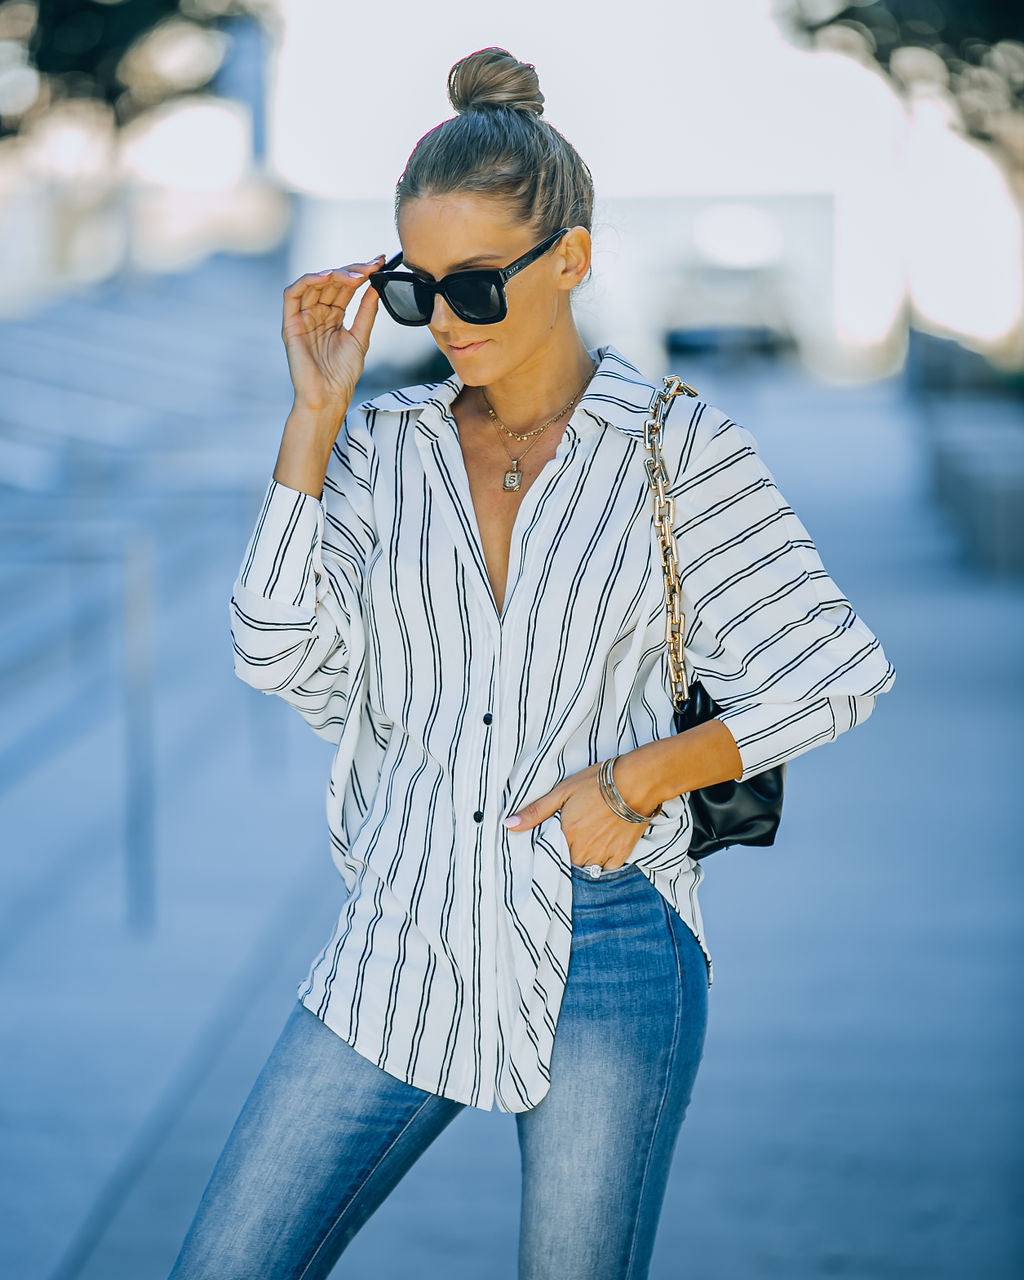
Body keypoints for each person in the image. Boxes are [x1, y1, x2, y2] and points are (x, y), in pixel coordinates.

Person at [168, 46, 896, 1280]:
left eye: (476, 287)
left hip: (607, 946)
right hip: (400, 934)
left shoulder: (679, 449)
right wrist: (311, 420)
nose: (446, 321)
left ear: (571, 258)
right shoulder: (380, 448)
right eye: (414, 290)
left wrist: (639, 779)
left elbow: (835, 670)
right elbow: (272, 647)